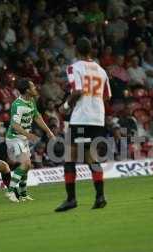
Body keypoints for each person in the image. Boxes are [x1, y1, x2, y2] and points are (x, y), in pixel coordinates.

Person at [55, 37, 111, 212]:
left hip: (81, 118)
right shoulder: (101, 70)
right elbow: (107, 96)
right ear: (90, 51)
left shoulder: (74, 67)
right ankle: (100, 197)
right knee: (91, 157)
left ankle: (71, 199)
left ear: (76, 51)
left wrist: (65, 106)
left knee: (69, 157)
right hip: (98, 117)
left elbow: (77, 90)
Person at [5, 79, 55, 202]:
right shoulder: (17, 105)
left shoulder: (31, 101)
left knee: (27, 166)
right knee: (26, 164)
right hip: (14, 138)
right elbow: (15, 125)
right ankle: (10, 191)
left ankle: (23, 194)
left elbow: (37, 117)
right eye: (33, 87)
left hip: (23, 138)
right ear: (27, 90)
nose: (35, 88)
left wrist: (48, 131)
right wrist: (28, 134)